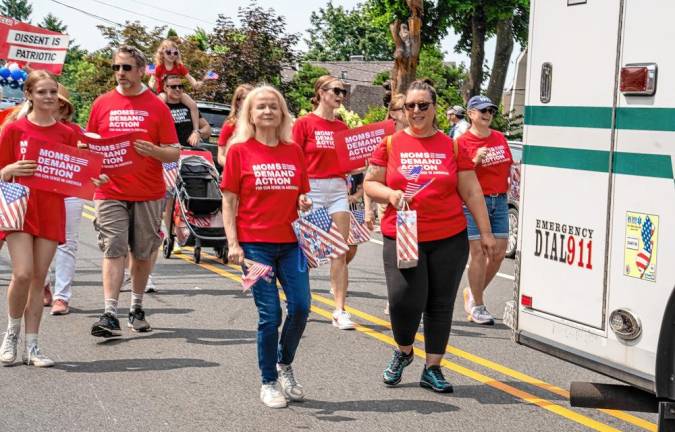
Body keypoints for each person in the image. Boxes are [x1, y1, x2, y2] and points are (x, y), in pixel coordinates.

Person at [364, 80, 497, 392]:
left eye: (423, 105)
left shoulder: (453, 146)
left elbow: (471, 190)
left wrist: (486, 233)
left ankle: (433, 367)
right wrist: (391, 195)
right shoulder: (390, 144)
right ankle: (404, 351)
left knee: (440, 303)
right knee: (402, 300)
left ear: (435, 108)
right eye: (410, 105)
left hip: (448, 236)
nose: (416, 111)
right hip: (403, 234)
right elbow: (370, 183)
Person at [0, 71, 103, 367]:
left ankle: (32, 346)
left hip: (51, 209)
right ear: (29, 94)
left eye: (52, 92)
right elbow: (1, 171)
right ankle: (11, 334)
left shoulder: (68, 133)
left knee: (38, 278)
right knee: (22, 273)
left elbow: (77, 171)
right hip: (19, 207)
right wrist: (11, 169)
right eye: (42, 91)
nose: (48, 97)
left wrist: (95, 178)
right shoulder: (14, 130)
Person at [221, 85, 312, 408]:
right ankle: (268, 382)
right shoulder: (239, 151)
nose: (268, 111)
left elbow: (302, 196)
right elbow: (229, 201)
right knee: (270, 314)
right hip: (255, 246)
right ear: (250, 113)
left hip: (291, 246)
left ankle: (283, 363)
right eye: (261, 107)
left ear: (282, 112)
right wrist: (233, 243)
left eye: (273, 106)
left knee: (301, 307)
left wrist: (304, 201)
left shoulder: (294, 151)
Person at [87, 45, 180, 338]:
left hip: (148, 192)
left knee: (141, 254)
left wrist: (154, 150)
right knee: (113, 248)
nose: (120, 73)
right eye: (116, 67)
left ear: (141, 70)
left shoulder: (157, 106)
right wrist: (93, 172)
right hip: (110, 191)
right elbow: (87, 145)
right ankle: (109, 312)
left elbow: (174, 153)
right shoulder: (102, 103)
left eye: (126, 68)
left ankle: (136, 308)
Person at [292, 75, 355, 330]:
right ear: (320, 92)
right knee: (308, 252)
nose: (340, 95)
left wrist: (364, 163)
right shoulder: (304, 124)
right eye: (336, 90)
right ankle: (299, 301)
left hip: (338, 188)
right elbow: (294, 158)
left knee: (340, 249)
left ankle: (340, 310)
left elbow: (349, 162)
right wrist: (299, 192)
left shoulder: (342, 128)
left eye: (343, 91)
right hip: (313, 188)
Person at [459, 95, 513, 325]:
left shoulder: (499, 137)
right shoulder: (462, 142)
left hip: (499, 200)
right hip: (473, 202)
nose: (488, 114)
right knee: (479, 253)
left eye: (490, 111)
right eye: (482, 111)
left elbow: (508, 166)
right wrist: (474, 161)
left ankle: (472, 293)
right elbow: (459, 174)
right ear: (471, 114)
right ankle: (478, 305)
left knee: (499, 253)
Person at [45, 85, 89, 316]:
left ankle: (62, 296)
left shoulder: (75, 131)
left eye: (58, 99)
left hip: (70, 193)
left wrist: (83, 151)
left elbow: (88, 164)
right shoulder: (28, 127)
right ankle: (43, 283)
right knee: (39, 242)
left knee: (67, 243)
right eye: (46, 96)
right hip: (39, 194)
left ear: (64, 105)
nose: (53, 102)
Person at [381, 93, 409, 315]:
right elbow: (372, 176)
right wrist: (373, 205)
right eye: (405, 107)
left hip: (419, 210)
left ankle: (404, 299)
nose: (410, 111)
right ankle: (397, 299)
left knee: (411, 259)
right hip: (394, 207)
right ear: (394, 113)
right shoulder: (387, 139)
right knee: (401, 259)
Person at [148, 39, 202, 142]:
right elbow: (151, 82)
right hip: (163, 92)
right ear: (162, 53)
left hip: (177, 91)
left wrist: (195, 84)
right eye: (169, 52)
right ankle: (155, 130)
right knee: (161, 104)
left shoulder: (179, 66)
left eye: (175, 53)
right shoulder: (159, 68)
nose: (172, 55)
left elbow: (189, 77)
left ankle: (195, 130)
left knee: (193, 105)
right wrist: (152, 85)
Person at [165, 75, 211, 147]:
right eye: (173, 87)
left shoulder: (189, 106)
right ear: (165, 88)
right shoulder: (161, 106)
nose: (178, 89)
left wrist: (198, 133)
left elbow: (207, 129)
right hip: (167, 153)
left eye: (180, 86)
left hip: (188, 154)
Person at [217, 84, 252, 166]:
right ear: (237, 101)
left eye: (251, 98)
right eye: (245, 98)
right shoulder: (230, 124)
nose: (249, 101)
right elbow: (220, 157)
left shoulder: (260, 125)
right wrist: (236, 168)